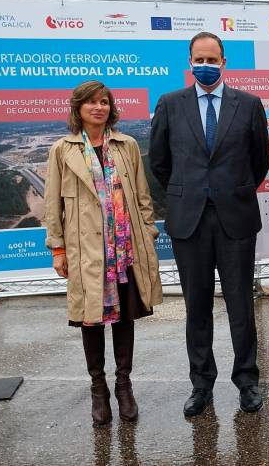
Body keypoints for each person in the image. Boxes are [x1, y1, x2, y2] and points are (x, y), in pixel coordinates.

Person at [149, 31, 269, 416]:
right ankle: (201, 385)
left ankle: (247, 381)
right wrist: (189, 192)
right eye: (198, 59)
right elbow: (159, 162)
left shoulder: (248, 104)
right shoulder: (170, 104)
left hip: (236, 217)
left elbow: (259, 160)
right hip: (190, 222)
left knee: (240, 305)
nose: (205, 65)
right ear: (189, 62)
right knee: (196, 306)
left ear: (223, 62)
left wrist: (230, 188)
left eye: (212, 59)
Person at [44, 80, 163, 427]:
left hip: (125, 250)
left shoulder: (126, 145)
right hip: (87, 252)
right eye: (92, 102)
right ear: (78, 108)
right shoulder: (62, 150)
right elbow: (53, 204)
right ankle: (99, 388)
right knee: (91, 319)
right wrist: (58, 248)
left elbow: (142, 197)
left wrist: (149, 233)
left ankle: (123, 384)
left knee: (125, 316)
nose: (99, 107)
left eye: (104, 102)